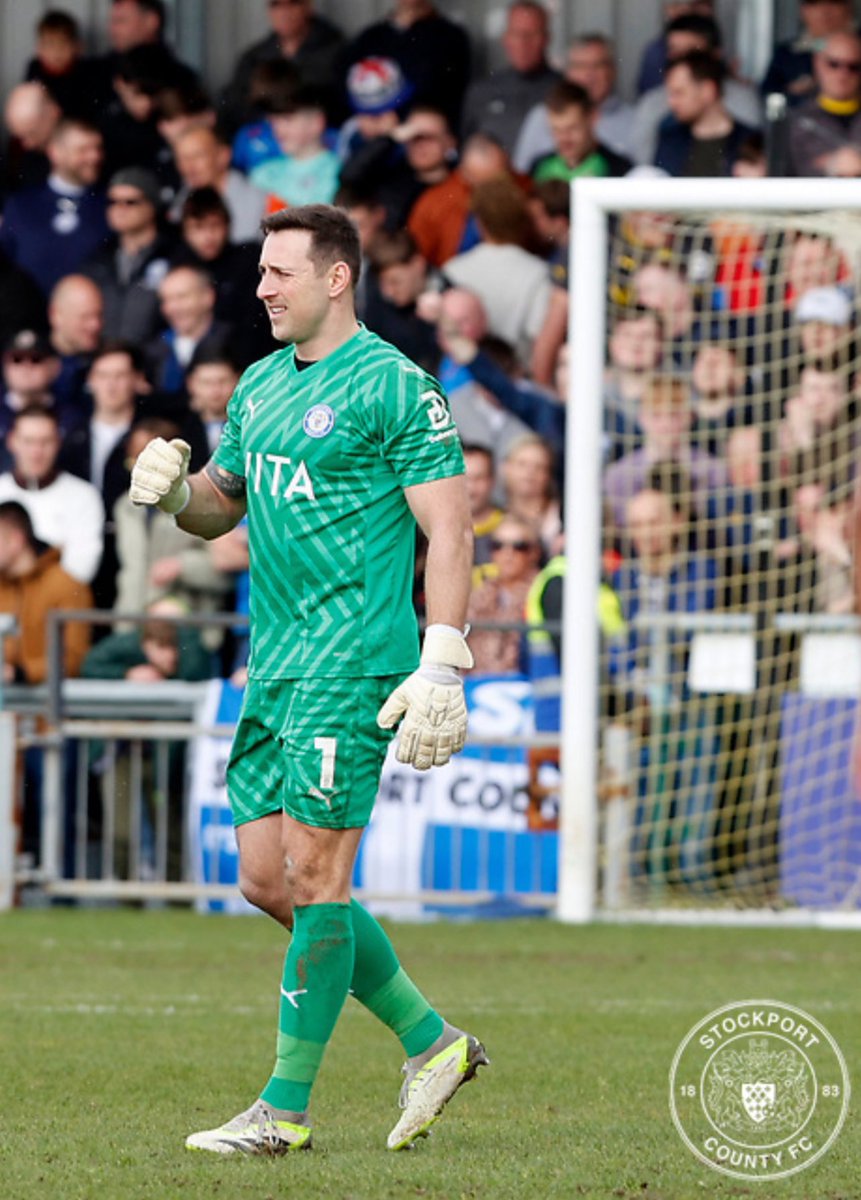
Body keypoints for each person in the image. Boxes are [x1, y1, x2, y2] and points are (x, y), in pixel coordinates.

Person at [129, 203, 487, 1154]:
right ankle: (433, 1043)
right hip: (274, 664)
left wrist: (442, 655)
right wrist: (175, 494)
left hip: (351, 662)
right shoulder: (255, 385)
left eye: (278, 272)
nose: (260, 289)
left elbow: (449, 530)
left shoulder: (398, 388)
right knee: (263, 879)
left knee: (318, 877)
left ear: (336, 277)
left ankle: (282, 1112)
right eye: (259, 273)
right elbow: (221, 508)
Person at [0, 117, 110, 295]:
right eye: (83, 150)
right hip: (29, 318)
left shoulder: (111, 205)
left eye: (97, 148)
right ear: (55, 152)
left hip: (91, 319)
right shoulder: (21, 205)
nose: (94, 157)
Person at [0, 405, 104, 585]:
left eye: (45, 442)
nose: (36, 452)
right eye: (28, 441)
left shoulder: (83, 496)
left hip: (56, 608)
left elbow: (82, 569)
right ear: (12, 442)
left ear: (58, 443)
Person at [220, 0, 345, 134]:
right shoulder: (253, 58)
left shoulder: (338, 53)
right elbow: (233, 107)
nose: (284, 12)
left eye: (293, 3)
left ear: (308, 6)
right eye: (276, 4)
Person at [514, 32, 633, 172]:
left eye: (598, 65)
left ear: (613, 70)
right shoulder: (541, 114)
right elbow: (521, 173)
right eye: (580, 66)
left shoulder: (635, 119)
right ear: (567, 72)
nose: (589, 74)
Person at [82, 165, 174, 345]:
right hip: (106, 362)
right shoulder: (98, 258)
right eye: (113, 202)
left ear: (152, 206)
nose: (119, 209)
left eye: (130, 202)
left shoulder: (174, 255)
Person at [460, 1, 561, 155]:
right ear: (505, 39)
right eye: (516, 34)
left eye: (531, 35)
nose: (523, 43)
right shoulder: (481, 92)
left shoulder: (564, 90)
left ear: (547, 39)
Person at [655, 52, 758, 177]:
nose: (671, 102)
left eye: (679, 93)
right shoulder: (670, 139)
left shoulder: (751, 142)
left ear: (708, 91)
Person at [467, 512, 541, 674]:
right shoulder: (479, 596)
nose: (508, 554)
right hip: (475, 688)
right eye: (498, 545)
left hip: (528, 687)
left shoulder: (542, 592)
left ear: (534, 552)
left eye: (519, 546)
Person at [787, 31, 861, 175]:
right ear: (817, 63)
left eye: (853, 67)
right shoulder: (792, 121)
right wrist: (831, 166)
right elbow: (779, 174)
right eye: (834, 64)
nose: (842, 74)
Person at [761, 0, 855, 109]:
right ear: (802, 10)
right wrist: (792, 92)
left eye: (833, 1)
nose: (824, 10)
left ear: (849, 7)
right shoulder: (786, 54)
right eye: (813, 3)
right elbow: (769, 99)